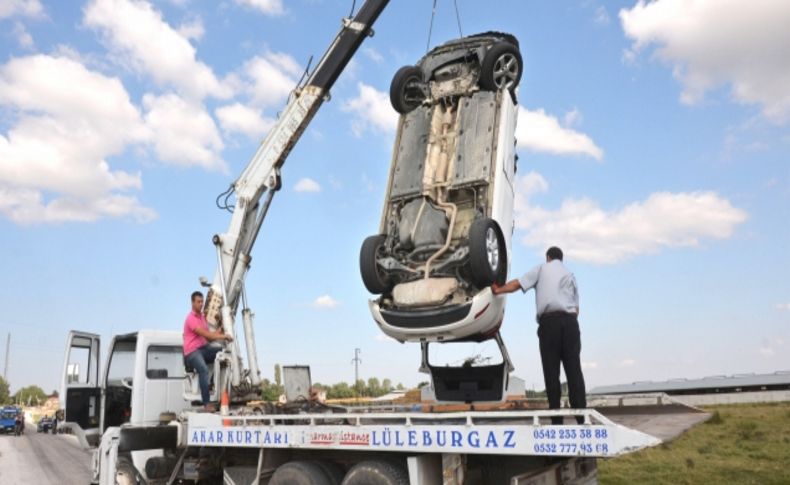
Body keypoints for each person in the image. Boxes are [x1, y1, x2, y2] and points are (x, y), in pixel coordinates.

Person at [492, 246, 586, 424]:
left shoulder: (542, 268)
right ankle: (582, 419)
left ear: (548, 257)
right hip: (571, 324)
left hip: (549, 324)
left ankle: (557, 423)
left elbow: (517, 284)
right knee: (574, 371)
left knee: (552, 373)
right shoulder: (570, 275)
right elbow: (577, 309)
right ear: (561, 259)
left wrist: (498, 290)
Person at [183, 291, 233, 411]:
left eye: (202, 302)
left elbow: (208, 337)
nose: (201, 304)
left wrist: (220, 330)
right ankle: (206, 404)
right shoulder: (191, 319)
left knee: (224, 353)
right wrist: (224, 337)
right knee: (203, 370)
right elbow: (208, 336)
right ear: (192, 303)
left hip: (203, 349)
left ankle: (219, 387)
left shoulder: (202, 318)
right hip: (191, 353)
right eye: (198, 302)